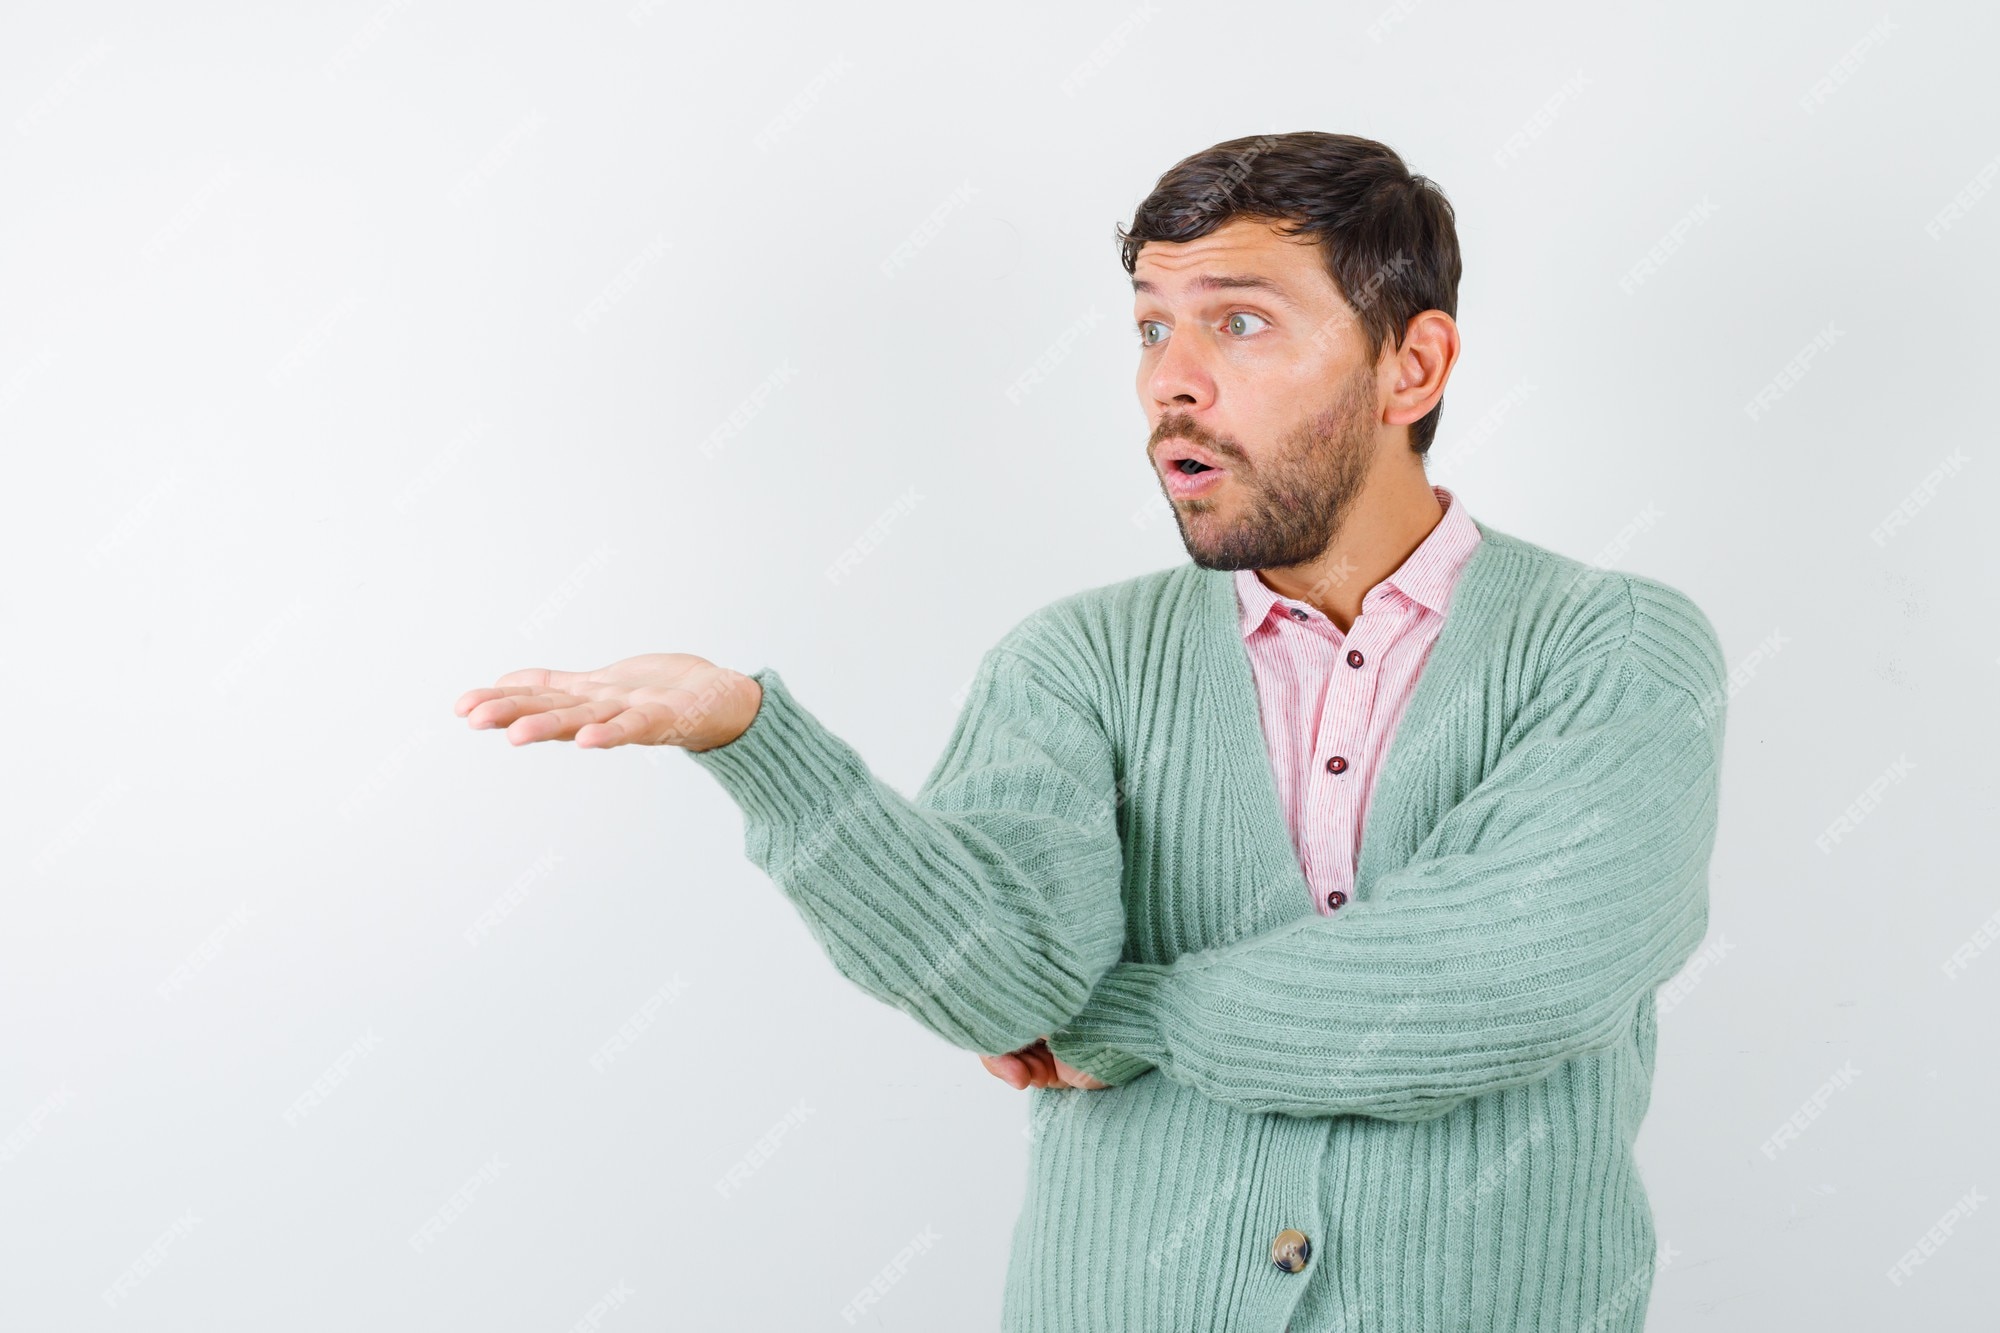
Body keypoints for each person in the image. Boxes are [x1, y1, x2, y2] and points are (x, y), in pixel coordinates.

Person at [454, 131, 1727, 1333]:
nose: (1170, 378)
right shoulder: (1078, 661)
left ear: (1411, 365)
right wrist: (754, 744)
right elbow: (1001, 984)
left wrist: (1128, 1018)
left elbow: (1498, 978)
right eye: (1150, 327)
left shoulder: (1614, 649)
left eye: (1238, 321)